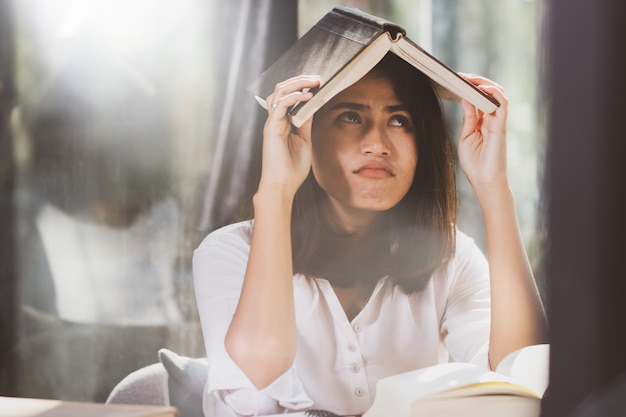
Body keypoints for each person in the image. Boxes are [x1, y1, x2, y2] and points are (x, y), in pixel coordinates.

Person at [193, 52, 548, 416]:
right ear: (303, 131)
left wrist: (494, 188)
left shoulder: (450, 256)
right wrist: (276, 191)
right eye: (350, 116)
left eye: (399, 120)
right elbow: (249, 400)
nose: (377, 143)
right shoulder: (229, 252)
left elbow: (525, 376)